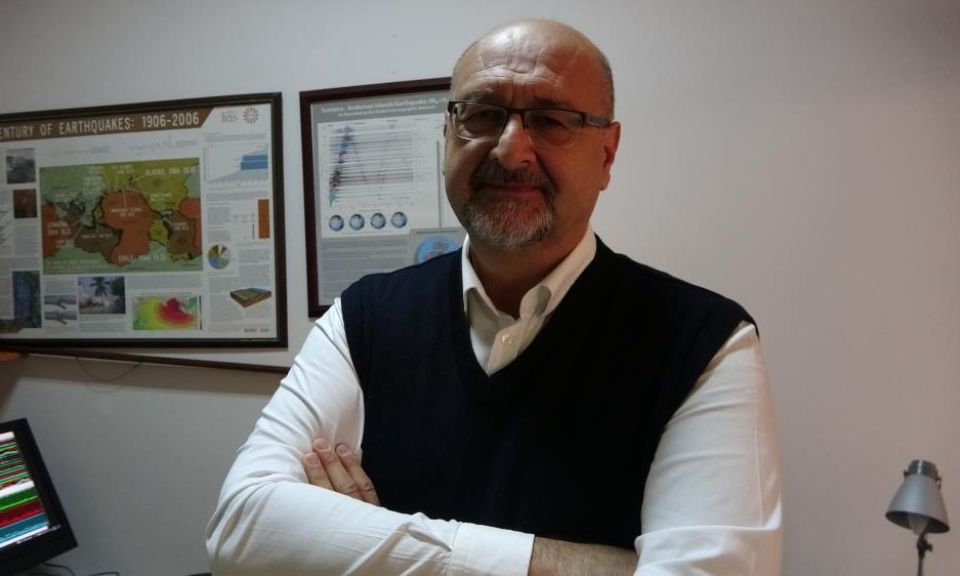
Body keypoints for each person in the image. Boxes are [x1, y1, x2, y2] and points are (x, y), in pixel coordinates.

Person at [206, 19, 782, 575]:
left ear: (607, 154)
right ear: (447, 134)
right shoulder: (365, 318)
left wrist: (359, 544)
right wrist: (577, 565)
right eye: (482, 114)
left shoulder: (704, 343)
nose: (511, 150)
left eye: (551, 120)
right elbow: (241, 528)